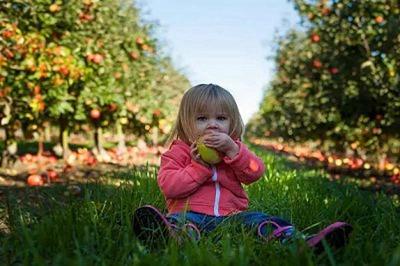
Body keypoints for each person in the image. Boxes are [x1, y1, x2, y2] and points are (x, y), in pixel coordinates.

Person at [132, 84, 352, 253]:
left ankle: (302, 244)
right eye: (202, 118)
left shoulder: (234, 150)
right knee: (181, 223)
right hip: (191, 214)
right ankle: (169, 237)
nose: (212, 124)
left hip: (233, 217)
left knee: (262, 220)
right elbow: (170, 188)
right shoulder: (177, 153)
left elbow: (255, 173)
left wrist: (234, 153)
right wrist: (198, 168)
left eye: (221, 118)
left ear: (232, 122)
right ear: (185, 123)